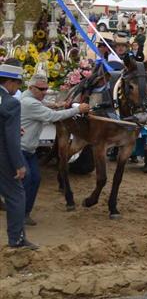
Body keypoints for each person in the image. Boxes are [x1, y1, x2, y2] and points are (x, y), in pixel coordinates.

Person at [19, 74, 88, 224]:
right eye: (41, 89)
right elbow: (53, 117)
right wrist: (78, 110)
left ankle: (24, 213)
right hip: (21, 149)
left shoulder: (27, 96)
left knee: (35, 179)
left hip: (29, 150)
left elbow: (42, 103)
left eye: (46, 89)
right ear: (31, 88)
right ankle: (19, 214)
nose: (44, 91)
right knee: (27, 180)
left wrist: (56, 104)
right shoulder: (31, 103)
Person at [0, 62, 36, 249]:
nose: (18, 88)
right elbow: (12, 141)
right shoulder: (12, 103)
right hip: (3, 157)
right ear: (10, 83)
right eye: (18, 84)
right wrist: (19, 164)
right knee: (16, 196)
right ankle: (16, 239)